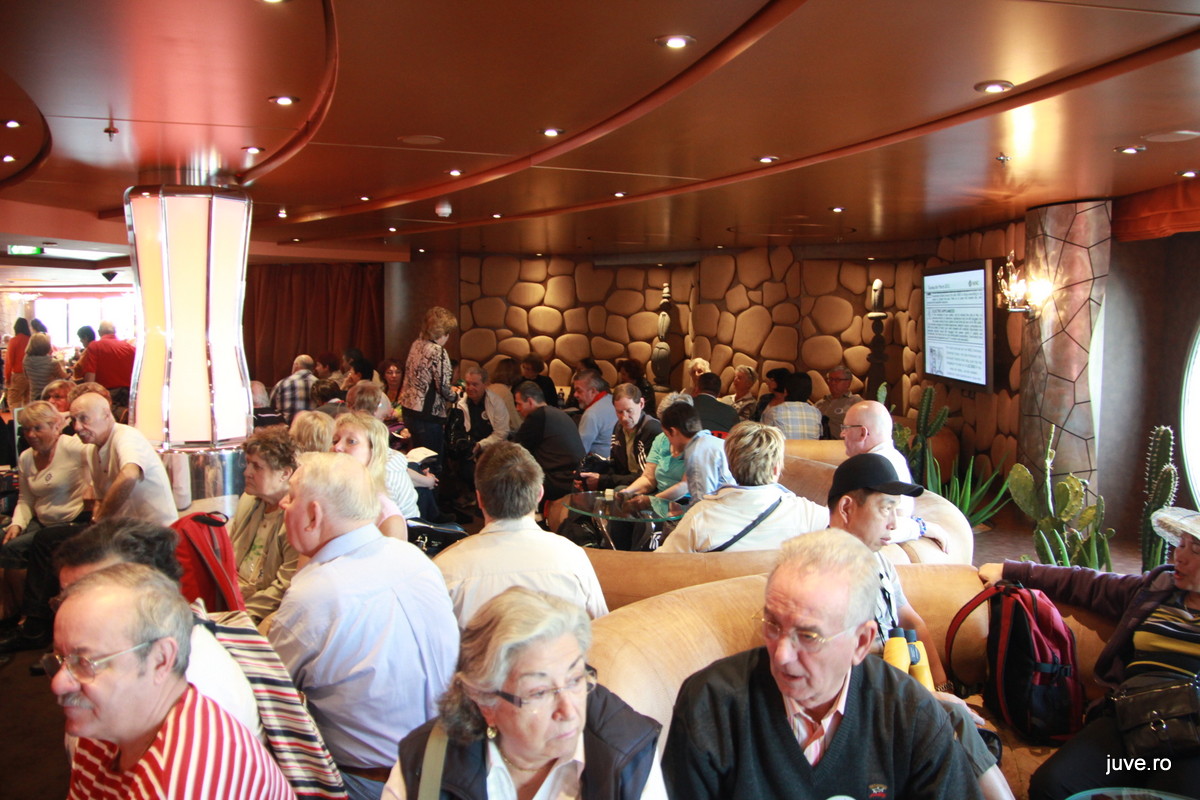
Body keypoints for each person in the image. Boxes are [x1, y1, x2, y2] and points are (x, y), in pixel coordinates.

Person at [661, 528, 981, 799]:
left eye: (809, 636)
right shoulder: (710, 704)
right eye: (773, 625)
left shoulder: (911, 714)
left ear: (861, 642)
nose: (782, 655)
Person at [269, 452, 459, 800]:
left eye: (291, 496)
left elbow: (268, 690)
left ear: (314, 515)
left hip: (372, 783)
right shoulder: (414, 558)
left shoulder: (317, 594)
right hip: (450, 768)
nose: (282, 502)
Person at [980, 511, 1200, 800]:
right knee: (1053, 786)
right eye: (1181, 544)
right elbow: (1087, 583)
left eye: (1195, 549)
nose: (1179, 556)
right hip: (1131, 715)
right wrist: (1011, 570)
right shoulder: (1157, 588)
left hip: (1192, 732)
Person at [829, 453, 1012, 800]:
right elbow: (839, 669)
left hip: (897, 693)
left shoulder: (878, 561)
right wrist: (928, 698)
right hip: (860, 706)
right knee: (952, 720)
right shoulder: (822, 572)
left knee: (959, 719)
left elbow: (911, 620)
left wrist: (943, 687)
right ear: (847, 508)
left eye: (896, 510)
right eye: (885, 509)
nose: (893, 524)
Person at [384, 587, 665, 800]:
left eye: (575, 679)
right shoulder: (428, 761)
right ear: (485, 702)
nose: (568, 711)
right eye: (540, 693)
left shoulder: (628, 752)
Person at [49, 563, 295, 799]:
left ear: (160, 659)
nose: (57, 683)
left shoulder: (182, 780)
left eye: (84, 662)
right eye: (61, 658)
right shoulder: (108, 723)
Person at [434, 441, 607, 625]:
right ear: (540, 493)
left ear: (480, 499)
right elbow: (601, 627)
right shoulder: (573, 558)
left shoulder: (445, 569)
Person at [0, 401, 93, 653]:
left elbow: (98, 456)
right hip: (40, 520)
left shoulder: (71, 447)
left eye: (38, 428)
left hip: (69, 521)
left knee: (13, 550)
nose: (31, 435)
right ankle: (12, 614)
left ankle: (27, 620)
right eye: (26, 429)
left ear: (55, 427)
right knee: (4, 538)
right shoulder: (26, 457)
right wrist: (17, 524)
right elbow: (25, 499)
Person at [659, 421, 828, 553]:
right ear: (776, 468)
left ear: (730, 467)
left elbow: (665, 563)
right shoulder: (809, 514)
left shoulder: (700, 516)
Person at [70, 390, 177, 525]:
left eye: (84, 418)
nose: (77, 427)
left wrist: (100, 518)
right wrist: (96, 524)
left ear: (106, 414)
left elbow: (129, 475)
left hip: (155, 532)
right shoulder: (92, 449)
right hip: (125, 531)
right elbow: (100, 500)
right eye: (73, 420)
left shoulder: (126, 435)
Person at [229, 426, 300, 625]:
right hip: (233, 597)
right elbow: (230, 557)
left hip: (260, 613)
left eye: (257, 467)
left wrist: (238, 614)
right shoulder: (248, 500)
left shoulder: (295, 515)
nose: (247, 472)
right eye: (248, 464)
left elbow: (285, 587)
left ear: (284, 473)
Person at [842, 399, 922, 543]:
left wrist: (920, 527)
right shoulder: (895, 457)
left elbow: (841, 523)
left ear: (862, 433)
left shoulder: (868, 467)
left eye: (846, 428)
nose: (842, 434)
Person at [332, 411, 408, 540]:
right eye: (335, 441)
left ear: (373, 451)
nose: (337, 447)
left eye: (351, 441)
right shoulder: (323, 494)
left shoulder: (386, 516)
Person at [577, 383, 662, 492]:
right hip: (626, 481)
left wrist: (602, 480)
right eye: (619, 412)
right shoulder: (618, 427)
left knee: (617, 489)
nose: (624, 418)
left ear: (641, 403)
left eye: (629, 411)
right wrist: (590, 474)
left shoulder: (652, 429)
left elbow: (645, 477)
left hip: (647, 486)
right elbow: (616, 466)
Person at [400, 306, 459, 458]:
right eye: (448, 332)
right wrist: (455, 396)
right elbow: (443, 386)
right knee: (432, 462)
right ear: (443, 332)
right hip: (426, 415)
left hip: (409, 409)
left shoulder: (417, 344)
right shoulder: (437, 351)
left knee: (417, 460)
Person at [512, 380, 585, 502]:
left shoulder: (537, 417)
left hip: (557, 481)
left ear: (530, 401)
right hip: (572, 478)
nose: (517, 409)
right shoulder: (557, 413)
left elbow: (516, 449)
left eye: (518, 404)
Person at [659, 398, 734, 501]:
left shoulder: (697, 453)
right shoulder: (712, 441)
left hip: (723, 505)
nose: (670, 442)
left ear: (673, 431)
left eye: (667, 435)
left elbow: (702, 500)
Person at [620, 393, 691, 501]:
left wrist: (651, 501)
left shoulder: (696, 444)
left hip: (684, 501)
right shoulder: (661, 439)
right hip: (659, 497)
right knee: (621, 493)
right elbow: (648, 479)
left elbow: (684, 486)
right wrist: (627, 492)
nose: (664, 428)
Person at [74, 320, 136, 404]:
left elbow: (90, 380)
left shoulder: (94, 346)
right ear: (114, 331)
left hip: (105, 398)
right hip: (128, 399)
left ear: (99, 332)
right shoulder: (131, 348)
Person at [457, 365, 511, 452]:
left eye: (475, 384)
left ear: (485, 384)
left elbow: (502, 433)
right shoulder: (459, 402)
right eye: (468, 384)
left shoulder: (496, 402)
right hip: (466, 450)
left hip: (492, 450)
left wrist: (480, 445)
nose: (470, 388)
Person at [762, 371, 822, 439]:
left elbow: (764, 439)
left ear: (785, 391)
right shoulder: (816, 412)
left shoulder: (773, 412)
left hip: (784, 446)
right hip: (811, 446)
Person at [572, 368, 616, 458]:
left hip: (600, 464)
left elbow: (580, 452)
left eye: (579, 391)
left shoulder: (591, 414)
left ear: (593, 391)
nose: (575, 395)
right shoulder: (612, 400)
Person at [816, 365, 862, 434]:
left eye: (837, 380)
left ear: (848, 382)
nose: (832, 383)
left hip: (842, 440)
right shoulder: (820, 404)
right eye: (830, 379)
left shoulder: (856, 403)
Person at [270, 353, 317, 421]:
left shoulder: (283, 383)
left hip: (288, 426)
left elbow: (271, 408)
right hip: (313, 426)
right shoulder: (319, 384)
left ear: (296, 365)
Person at [23, 332, 66, 403]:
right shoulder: (52, 362)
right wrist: (62, 365)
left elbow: (26, 377)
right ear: (47, 345)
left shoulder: (26, 360)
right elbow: (64, 377)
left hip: (34, 396)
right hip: (49, 397)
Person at [5, 317, 31, 409]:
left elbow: (9, 361)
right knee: (28, 401)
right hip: (31, 375)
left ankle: (17, 418)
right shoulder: (31, 340)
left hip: (18, 374)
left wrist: (7, 377)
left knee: (14, 401)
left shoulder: (14, 341)